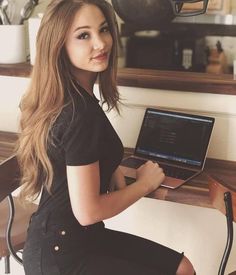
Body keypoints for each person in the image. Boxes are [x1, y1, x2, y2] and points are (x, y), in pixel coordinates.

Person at [17, 0, 195, 274]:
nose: (101, 44)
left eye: (103, 30)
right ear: (58, 45)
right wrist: (145, 184)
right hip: (61, 256)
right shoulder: (79, 113)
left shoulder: (74, 97)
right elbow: (88, 211)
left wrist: (107, 167)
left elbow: (70, 159)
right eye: (83, 35)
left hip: (77, 238)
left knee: (181, 268)